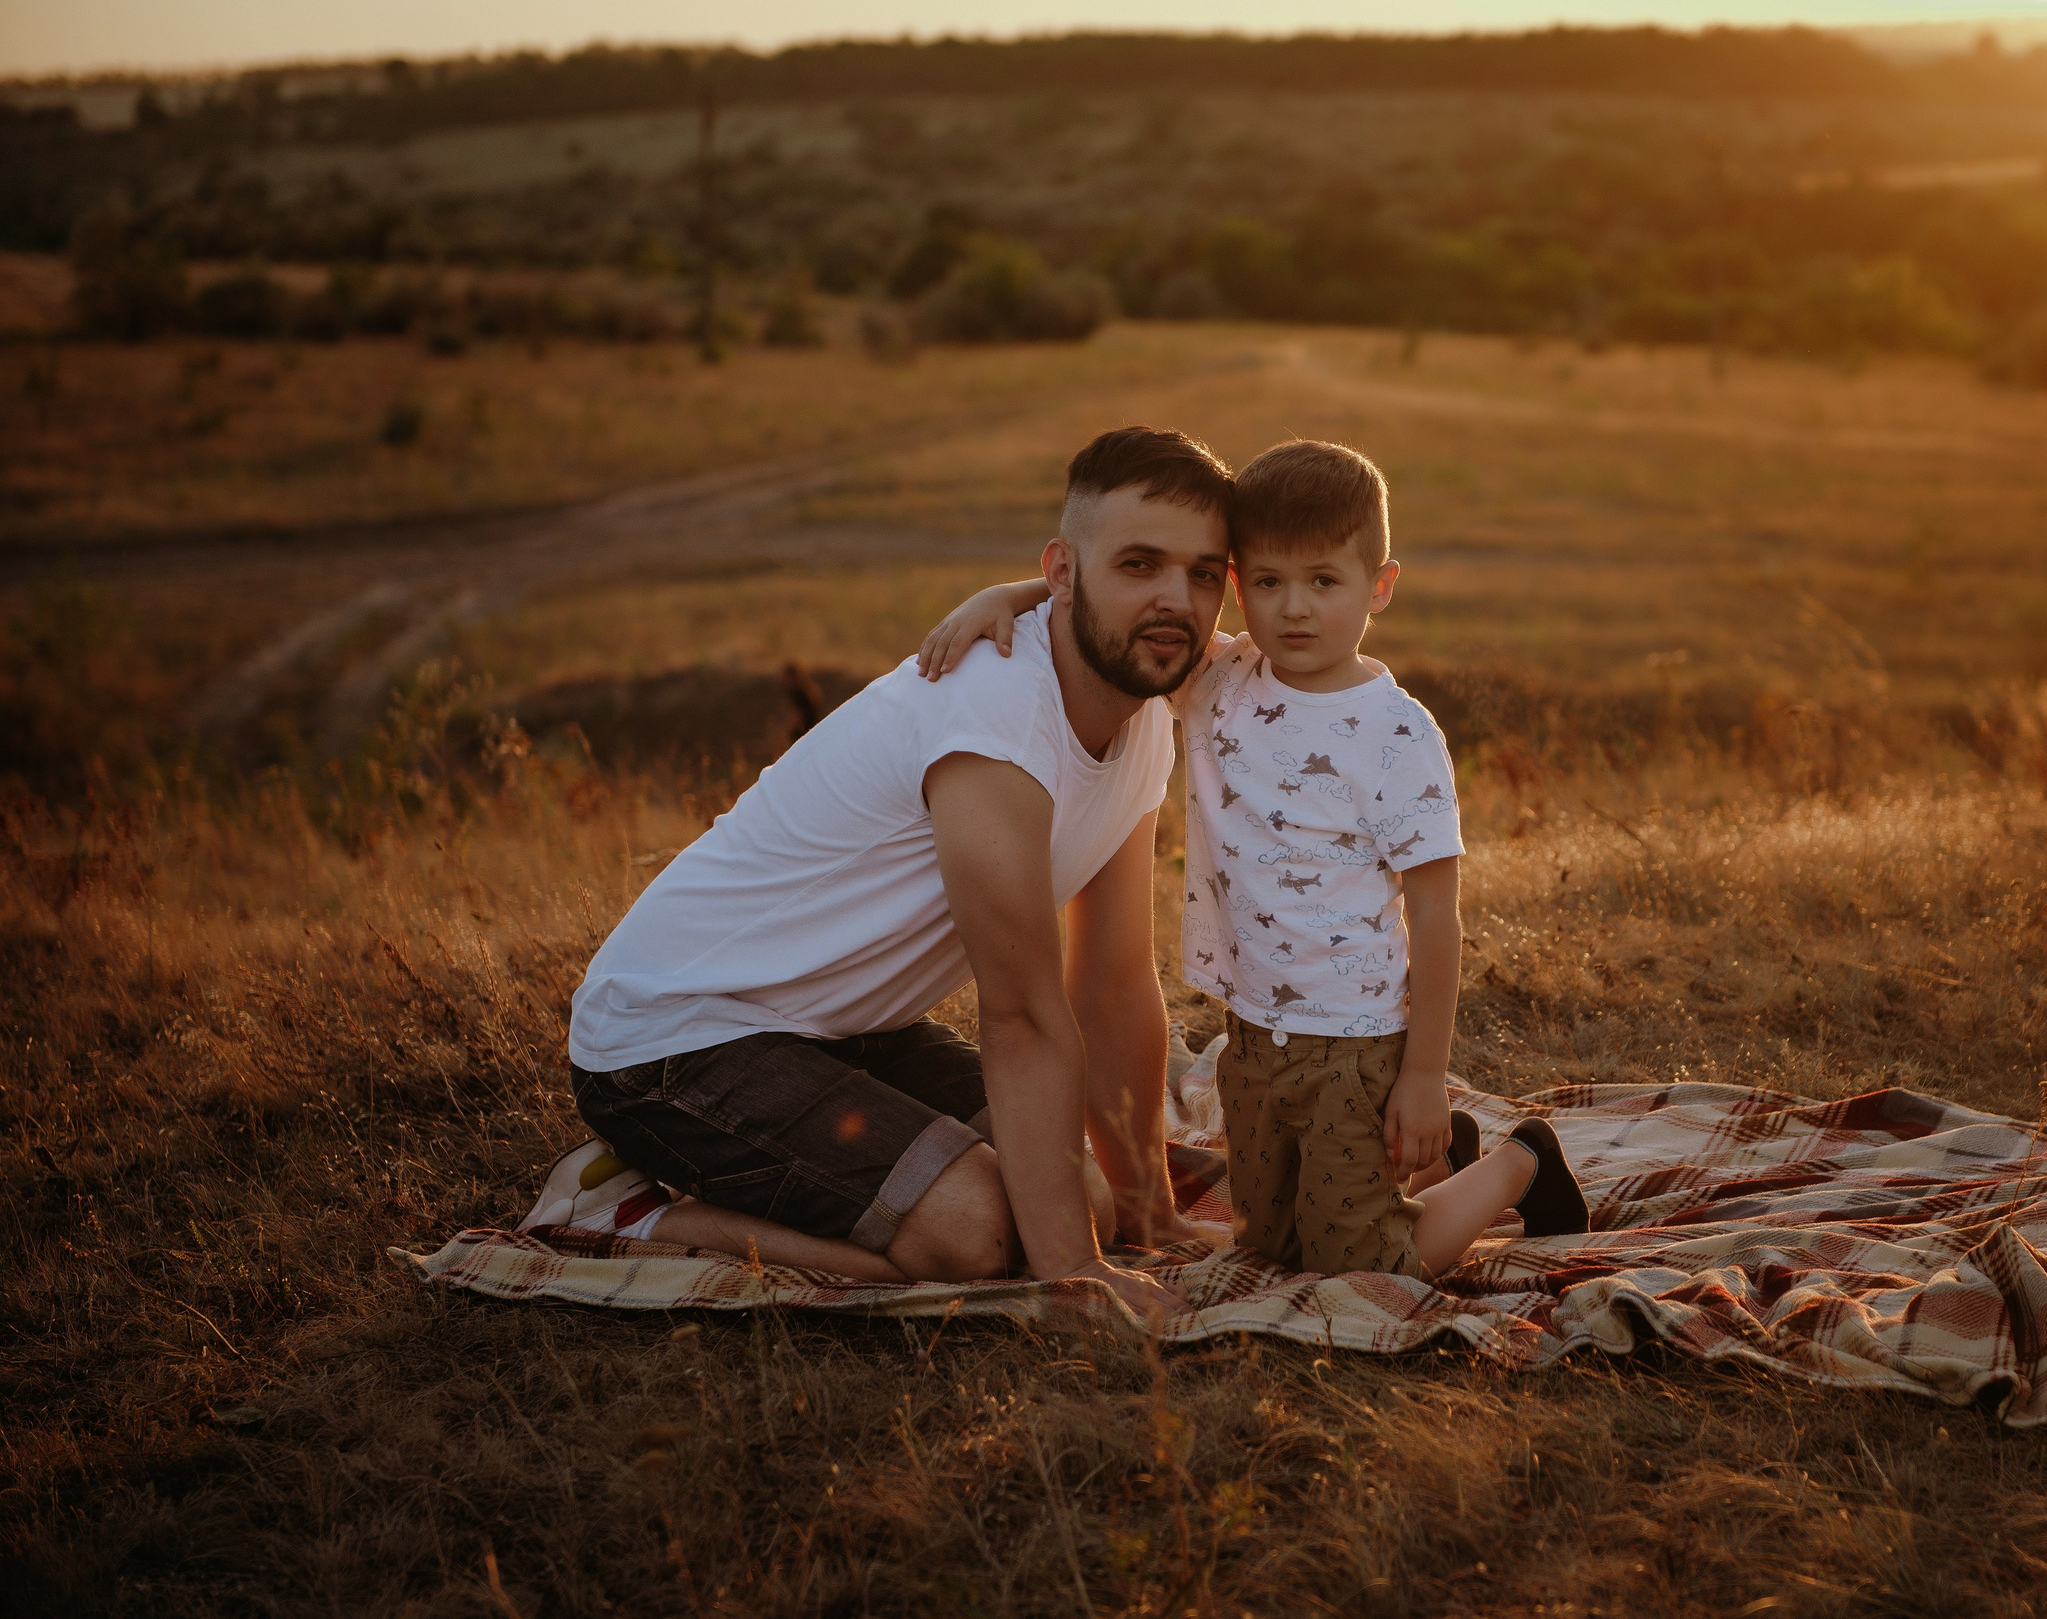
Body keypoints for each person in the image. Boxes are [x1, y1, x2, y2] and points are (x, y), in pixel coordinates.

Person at [543, 426, 1240, 1321]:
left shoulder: (1139, 713)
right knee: (984, 1233)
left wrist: (1151, 1213)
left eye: (1203, 573)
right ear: (1062, 569)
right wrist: (1078, 1277)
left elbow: (1109, 984)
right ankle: (635, 1211)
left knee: (1089, 1204)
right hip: (675, 1038)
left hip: (838, 1029)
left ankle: (1085, 1217)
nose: (1175, 600)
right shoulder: (995, 717)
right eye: (1139, 563)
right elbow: (1024, 1017)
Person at [920, 440, 1586, 1281]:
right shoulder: (1222, 677)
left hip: (1356, 1035)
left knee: (1360, 1264)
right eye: (1269, 582)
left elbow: (1435, 919)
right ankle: (1427, 1158)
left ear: (1379, 586)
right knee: (1266, 1246)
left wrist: (1422, 1077)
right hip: (1254, 1033)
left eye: (1324, 581)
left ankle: (1520, 1161)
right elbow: (1109, 613)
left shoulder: (1400, 735)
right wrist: (1009, 593)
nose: (1295, 609)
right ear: (1239, 587)